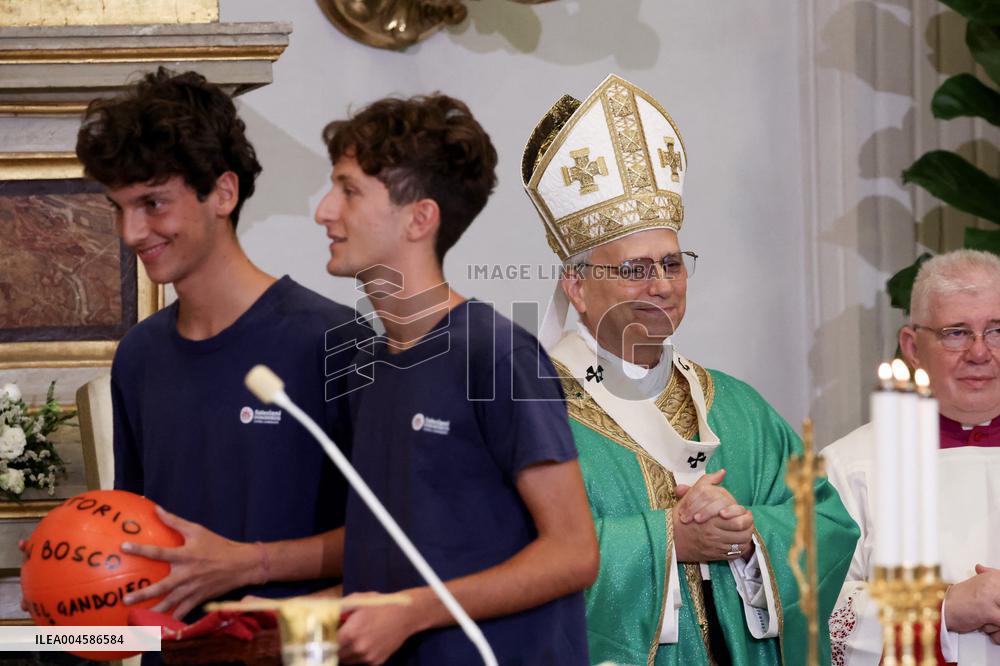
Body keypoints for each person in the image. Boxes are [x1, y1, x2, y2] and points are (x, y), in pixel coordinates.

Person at [520, 74, 860, 665]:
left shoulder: (739, 409)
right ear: (576, 285)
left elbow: (826, 522)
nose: (660, 287)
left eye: (673, 264)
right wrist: (667, 541)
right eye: (634, 270)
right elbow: (512, 558)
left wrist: (752, 537)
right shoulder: (534, 411)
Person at [73, 68, 370, 622]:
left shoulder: (333, 341)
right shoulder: (138, 357)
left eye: (153, 203)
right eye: (119, 207)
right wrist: (69, 563)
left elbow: (399, 541)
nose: (132, 232)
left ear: (223, 193)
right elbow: (136, 541)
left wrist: (251, 563)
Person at [314, 93, 598, 665]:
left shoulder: (496, 354)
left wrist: (414, 611)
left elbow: (573, 553)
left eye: (348, 190)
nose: (324, 210)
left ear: (420, 217)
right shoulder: (364, 366)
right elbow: (397, 558)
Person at [824, 249, 1000, 665]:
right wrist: (944, 611)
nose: (980, 352)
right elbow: (813, 614)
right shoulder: (848, 467)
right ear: (913, 347)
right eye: (956, 332)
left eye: (997, 330)